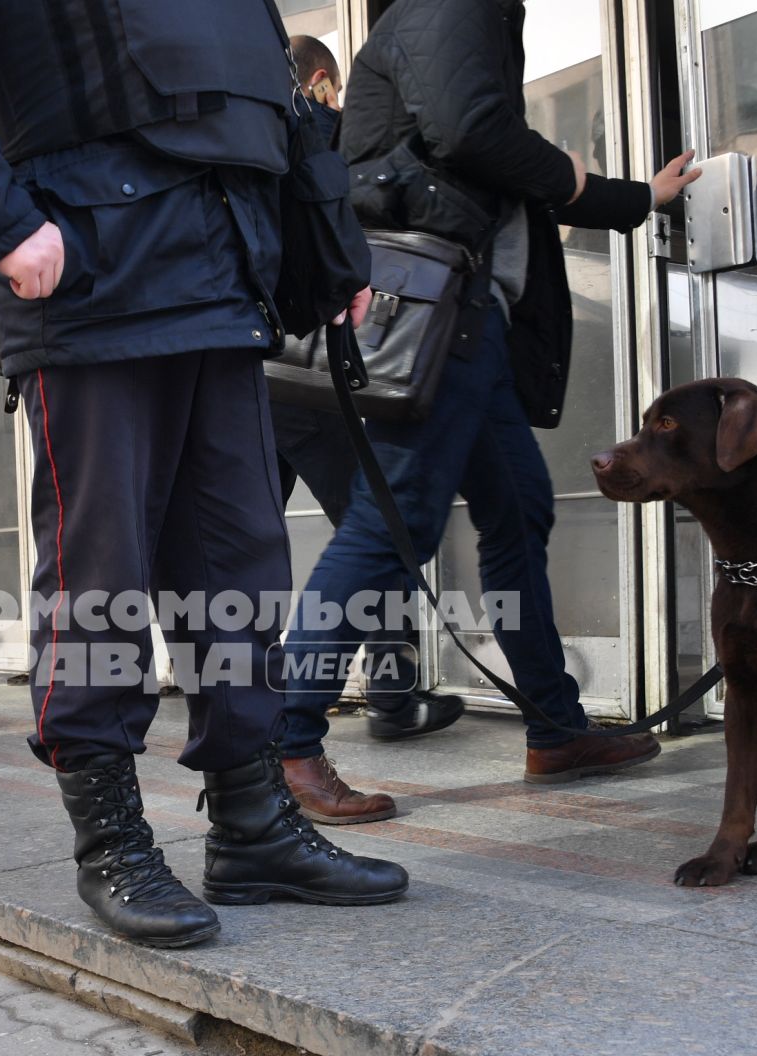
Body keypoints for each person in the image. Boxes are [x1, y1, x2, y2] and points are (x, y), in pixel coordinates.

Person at [0, 0, 407, 949]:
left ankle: (253, 823)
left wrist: (323, 244)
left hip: (222, 276)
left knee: (240, 565)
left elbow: (265, 98)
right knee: (99, 574)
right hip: (91, 281)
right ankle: (111, 838)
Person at [277, 0, 699, 821]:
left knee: (518, 511)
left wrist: (632, 197)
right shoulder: (452, 4)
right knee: (390, 523)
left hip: (471, 317)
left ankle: (555, 727)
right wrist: (579, 178)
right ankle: (286, 746)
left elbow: (482, 161)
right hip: (437, 313)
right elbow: (471, 131)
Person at [271, 34, 462, 804]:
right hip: (316, 370)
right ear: (322, 82)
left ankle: (244, 705)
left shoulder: (247, 137)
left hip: (257, 365)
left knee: (246, 539)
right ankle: (389, 696)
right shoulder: (325, 129)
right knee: (377, 528)